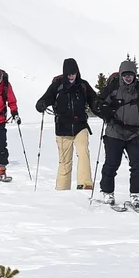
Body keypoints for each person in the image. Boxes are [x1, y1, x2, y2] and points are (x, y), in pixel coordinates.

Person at [96, 59, 139, 210]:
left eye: (130, 75)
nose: (128, 78)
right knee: (111, 164)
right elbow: (98, 103)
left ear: (134, 76)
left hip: (133, 134)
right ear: (121, 75)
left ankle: (136, 193)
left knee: (137, 165)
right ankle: (107, 192)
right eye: (125, 75)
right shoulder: (112, 88)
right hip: (114, 133)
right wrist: (105, 111)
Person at [35, 58, 99, 190]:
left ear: (77, 72)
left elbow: (94, 100)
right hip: (62, 129)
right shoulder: (57, 86)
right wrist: (41, 104)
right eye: (69, 74)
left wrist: (100, 107)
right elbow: (45, 99)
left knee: (83, 153)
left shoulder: (83, 85)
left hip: (80, 126)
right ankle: (62, 190)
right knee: (65, 162)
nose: (71, 77)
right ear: (65, 73)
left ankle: (85, 184)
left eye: (73, 74)